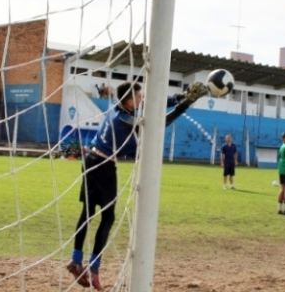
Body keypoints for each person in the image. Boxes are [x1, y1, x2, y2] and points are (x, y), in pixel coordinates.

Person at [66, 81, 207, 290]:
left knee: (87, 212)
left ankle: (76, 260)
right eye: (139, 97)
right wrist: (184, 105)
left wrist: (182, 96)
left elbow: (155, 106)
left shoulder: (118, 108)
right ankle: (94, 268)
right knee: (108, 217)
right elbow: (159, 123)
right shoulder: (125, 120)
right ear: (129, 100)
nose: (142, 100)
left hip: (90, 160)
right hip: (104, 166)